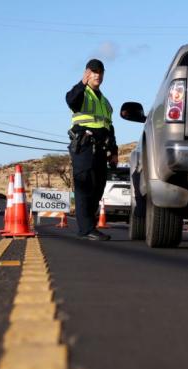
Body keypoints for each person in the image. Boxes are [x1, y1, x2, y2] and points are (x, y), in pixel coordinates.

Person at [66, 58, 118, 240]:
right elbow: (70, 99)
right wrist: (81, 83)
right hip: (84, 147)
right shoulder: (81, 93)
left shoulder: (105, 101)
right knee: (84, 187)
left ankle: (89, 226)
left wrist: (114, 151)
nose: (98, 75)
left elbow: (109, 127)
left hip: (101, 150)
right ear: (87, 73)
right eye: (94, 72)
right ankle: (86, 229)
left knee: (98, 187)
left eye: (100, 72)